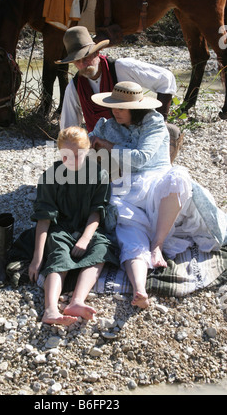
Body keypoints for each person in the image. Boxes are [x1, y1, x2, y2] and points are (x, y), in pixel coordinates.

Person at [89, 81, 227, 309]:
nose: (115, 111)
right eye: (113, 106)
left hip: (157, 184)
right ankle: (139, 290)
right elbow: (85, 139)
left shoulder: (153, 123)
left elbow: (142, 158)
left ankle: (158, 244)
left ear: (136, 108)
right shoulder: (108, 125)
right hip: (125, 189)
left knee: (179, 177)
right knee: (127, 225)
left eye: (121, 108)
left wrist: (107, 145)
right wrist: (83, 144)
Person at [28, 126, 118, 325]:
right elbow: (44, 218)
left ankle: (77, 300)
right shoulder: (51, 175)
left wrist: (85, 238)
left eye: (78, 154)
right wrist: (36, 258)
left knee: (101, 249)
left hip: (88, 227)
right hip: (60, 228)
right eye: (66, 155)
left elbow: (97, 212)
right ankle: (50, 309)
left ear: (88, 151)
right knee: (58, 253)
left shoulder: (100, 175)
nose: (72, 160)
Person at [56, 26, 177, 132]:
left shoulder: (122, 68)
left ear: (97, 52)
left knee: (172, 132)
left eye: (86, 57)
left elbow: (166, 78)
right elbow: (68, 127)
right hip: (101, 147)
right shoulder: (74, 87)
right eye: (78, 60)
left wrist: (161, 122)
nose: (83, 64)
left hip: (136, 140)